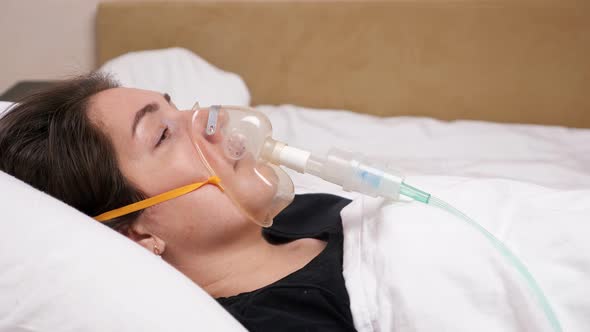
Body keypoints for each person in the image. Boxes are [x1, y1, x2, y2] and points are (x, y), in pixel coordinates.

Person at [0, 73, 356, 331]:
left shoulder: (306, 212)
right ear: (133, 233)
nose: (214, 124)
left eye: (179, 109)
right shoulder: (281, 320)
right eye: (164, 135)